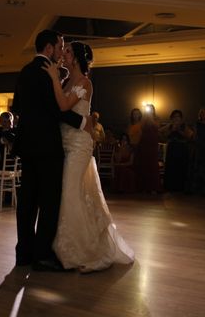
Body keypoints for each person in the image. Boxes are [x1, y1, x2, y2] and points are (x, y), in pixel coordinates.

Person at [42, 40, 134, 272]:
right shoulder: (66, 80)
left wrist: (53, 77)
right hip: (65, 142)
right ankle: (68, 247)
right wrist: (57, 79)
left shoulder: (85, 82)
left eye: (69, 52)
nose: (64, 54)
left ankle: (85, 251)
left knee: (70, 191)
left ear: (77, 58)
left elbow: (63, 106)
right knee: (73, 193)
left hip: (80, 145)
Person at [11, 29, 88, 271]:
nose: (61, 51)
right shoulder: (47, 73)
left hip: (27, 146)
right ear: (49, 48)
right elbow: (57, 111)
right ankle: (42, 254)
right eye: (59, 46)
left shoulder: (25, 71)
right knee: (49, 201)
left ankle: (23, 252)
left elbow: (17, 107)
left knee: (27, 201)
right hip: (47, 146)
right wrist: (84, 123)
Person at [136, 104, 161, 193]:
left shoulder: (156, 118)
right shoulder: (143, 119)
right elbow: (141, 128)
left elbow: (157, 127)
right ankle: (144, 188)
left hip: (152, 144)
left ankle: (154, 187)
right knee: (144, 165)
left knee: (153, 165)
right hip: (144, 143)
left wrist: (150, 117)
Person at [161, 109, 188, 192]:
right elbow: (162, 134)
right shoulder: (169, 126)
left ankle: (181, 186)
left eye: (178, 116)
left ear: (181, 118)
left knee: (181, 166)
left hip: (181, 148)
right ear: (172, 118)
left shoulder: (184, 126)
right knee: (171, 166)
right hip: (172, 148)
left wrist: (179, 130)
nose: (176, 118)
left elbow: (190, 136)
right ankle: (170, 186)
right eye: (175, 116)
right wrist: (171, 130)